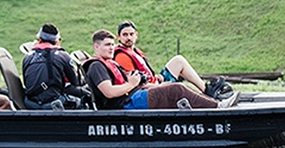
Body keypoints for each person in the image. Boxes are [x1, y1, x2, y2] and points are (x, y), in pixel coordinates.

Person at [84, 30, 235, 110]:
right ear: (96, 47)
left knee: (171, 86)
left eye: (112, 44)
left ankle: (212, 101)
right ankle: (218, 107)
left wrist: (155, 85)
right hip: (126, 103)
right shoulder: (96, 66)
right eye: (107, 45)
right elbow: (109, 92)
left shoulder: (111, 63)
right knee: (176, 90)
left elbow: (135, 82)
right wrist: (131, 84)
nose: (111, 48)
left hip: (134, 94)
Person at [113, 20, 224, 98]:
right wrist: (160, 85)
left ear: (136, 35)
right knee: (181, 86)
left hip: (155, 82)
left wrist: (158, 77)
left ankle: (206, 89)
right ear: (119, 37)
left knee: (178, 60)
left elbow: (146, 74)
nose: (128, 38)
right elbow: (134, 84)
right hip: (149, 90)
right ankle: (206, 94)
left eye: (131, 34)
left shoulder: (136, 52)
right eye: (125, 35)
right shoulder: (122, 56)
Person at [22, 23, 92, 110]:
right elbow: (75, 82)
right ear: (57, 41)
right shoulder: (62, 55)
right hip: (55, 103)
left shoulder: (27, 57)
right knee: (87, 95)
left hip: (30, 103)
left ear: (39, 39)